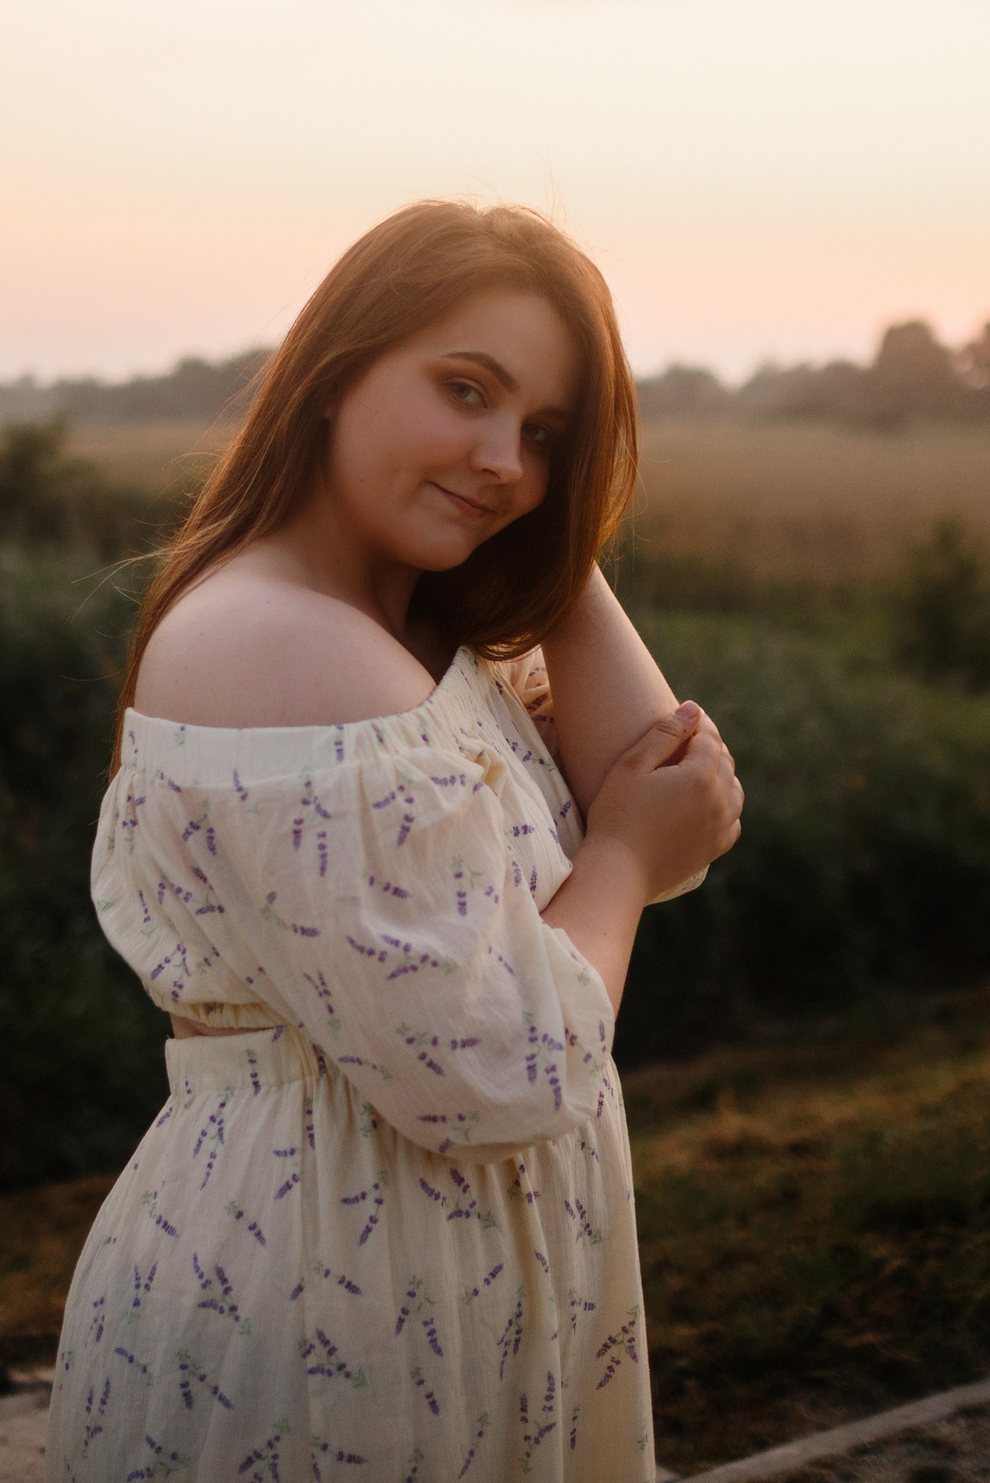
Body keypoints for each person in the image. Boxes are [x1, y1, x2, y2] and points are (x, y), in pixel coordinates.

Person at [49, 201, 744, 1480]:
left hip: (438, 1287)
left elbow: (675, 802)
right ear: (334, 372)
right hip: (322, 1298)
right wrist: (621, 866)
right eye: (465, 391)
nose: (502, 459)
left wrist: (547, 535)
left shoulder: (416, 638)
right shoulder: (281, 646)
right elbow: (502, 1065)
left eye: (544, 433)